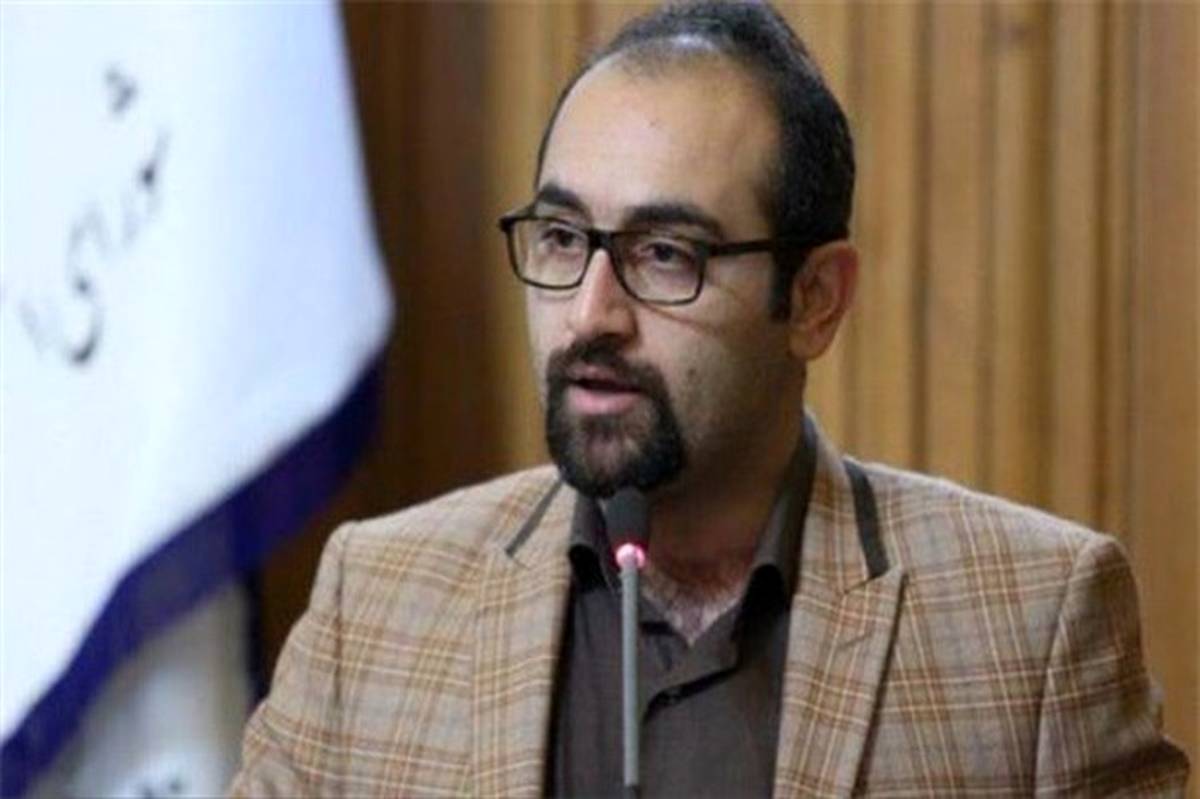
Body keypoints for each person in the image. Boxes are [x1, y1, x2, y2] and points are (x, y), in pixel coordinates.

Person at [229, 2, 1190, 796]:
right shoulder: (375, 603)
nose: (590, 315)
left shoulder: (1032, 624)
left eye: (664, 254)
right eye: (561, 238)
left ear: (813, 300)